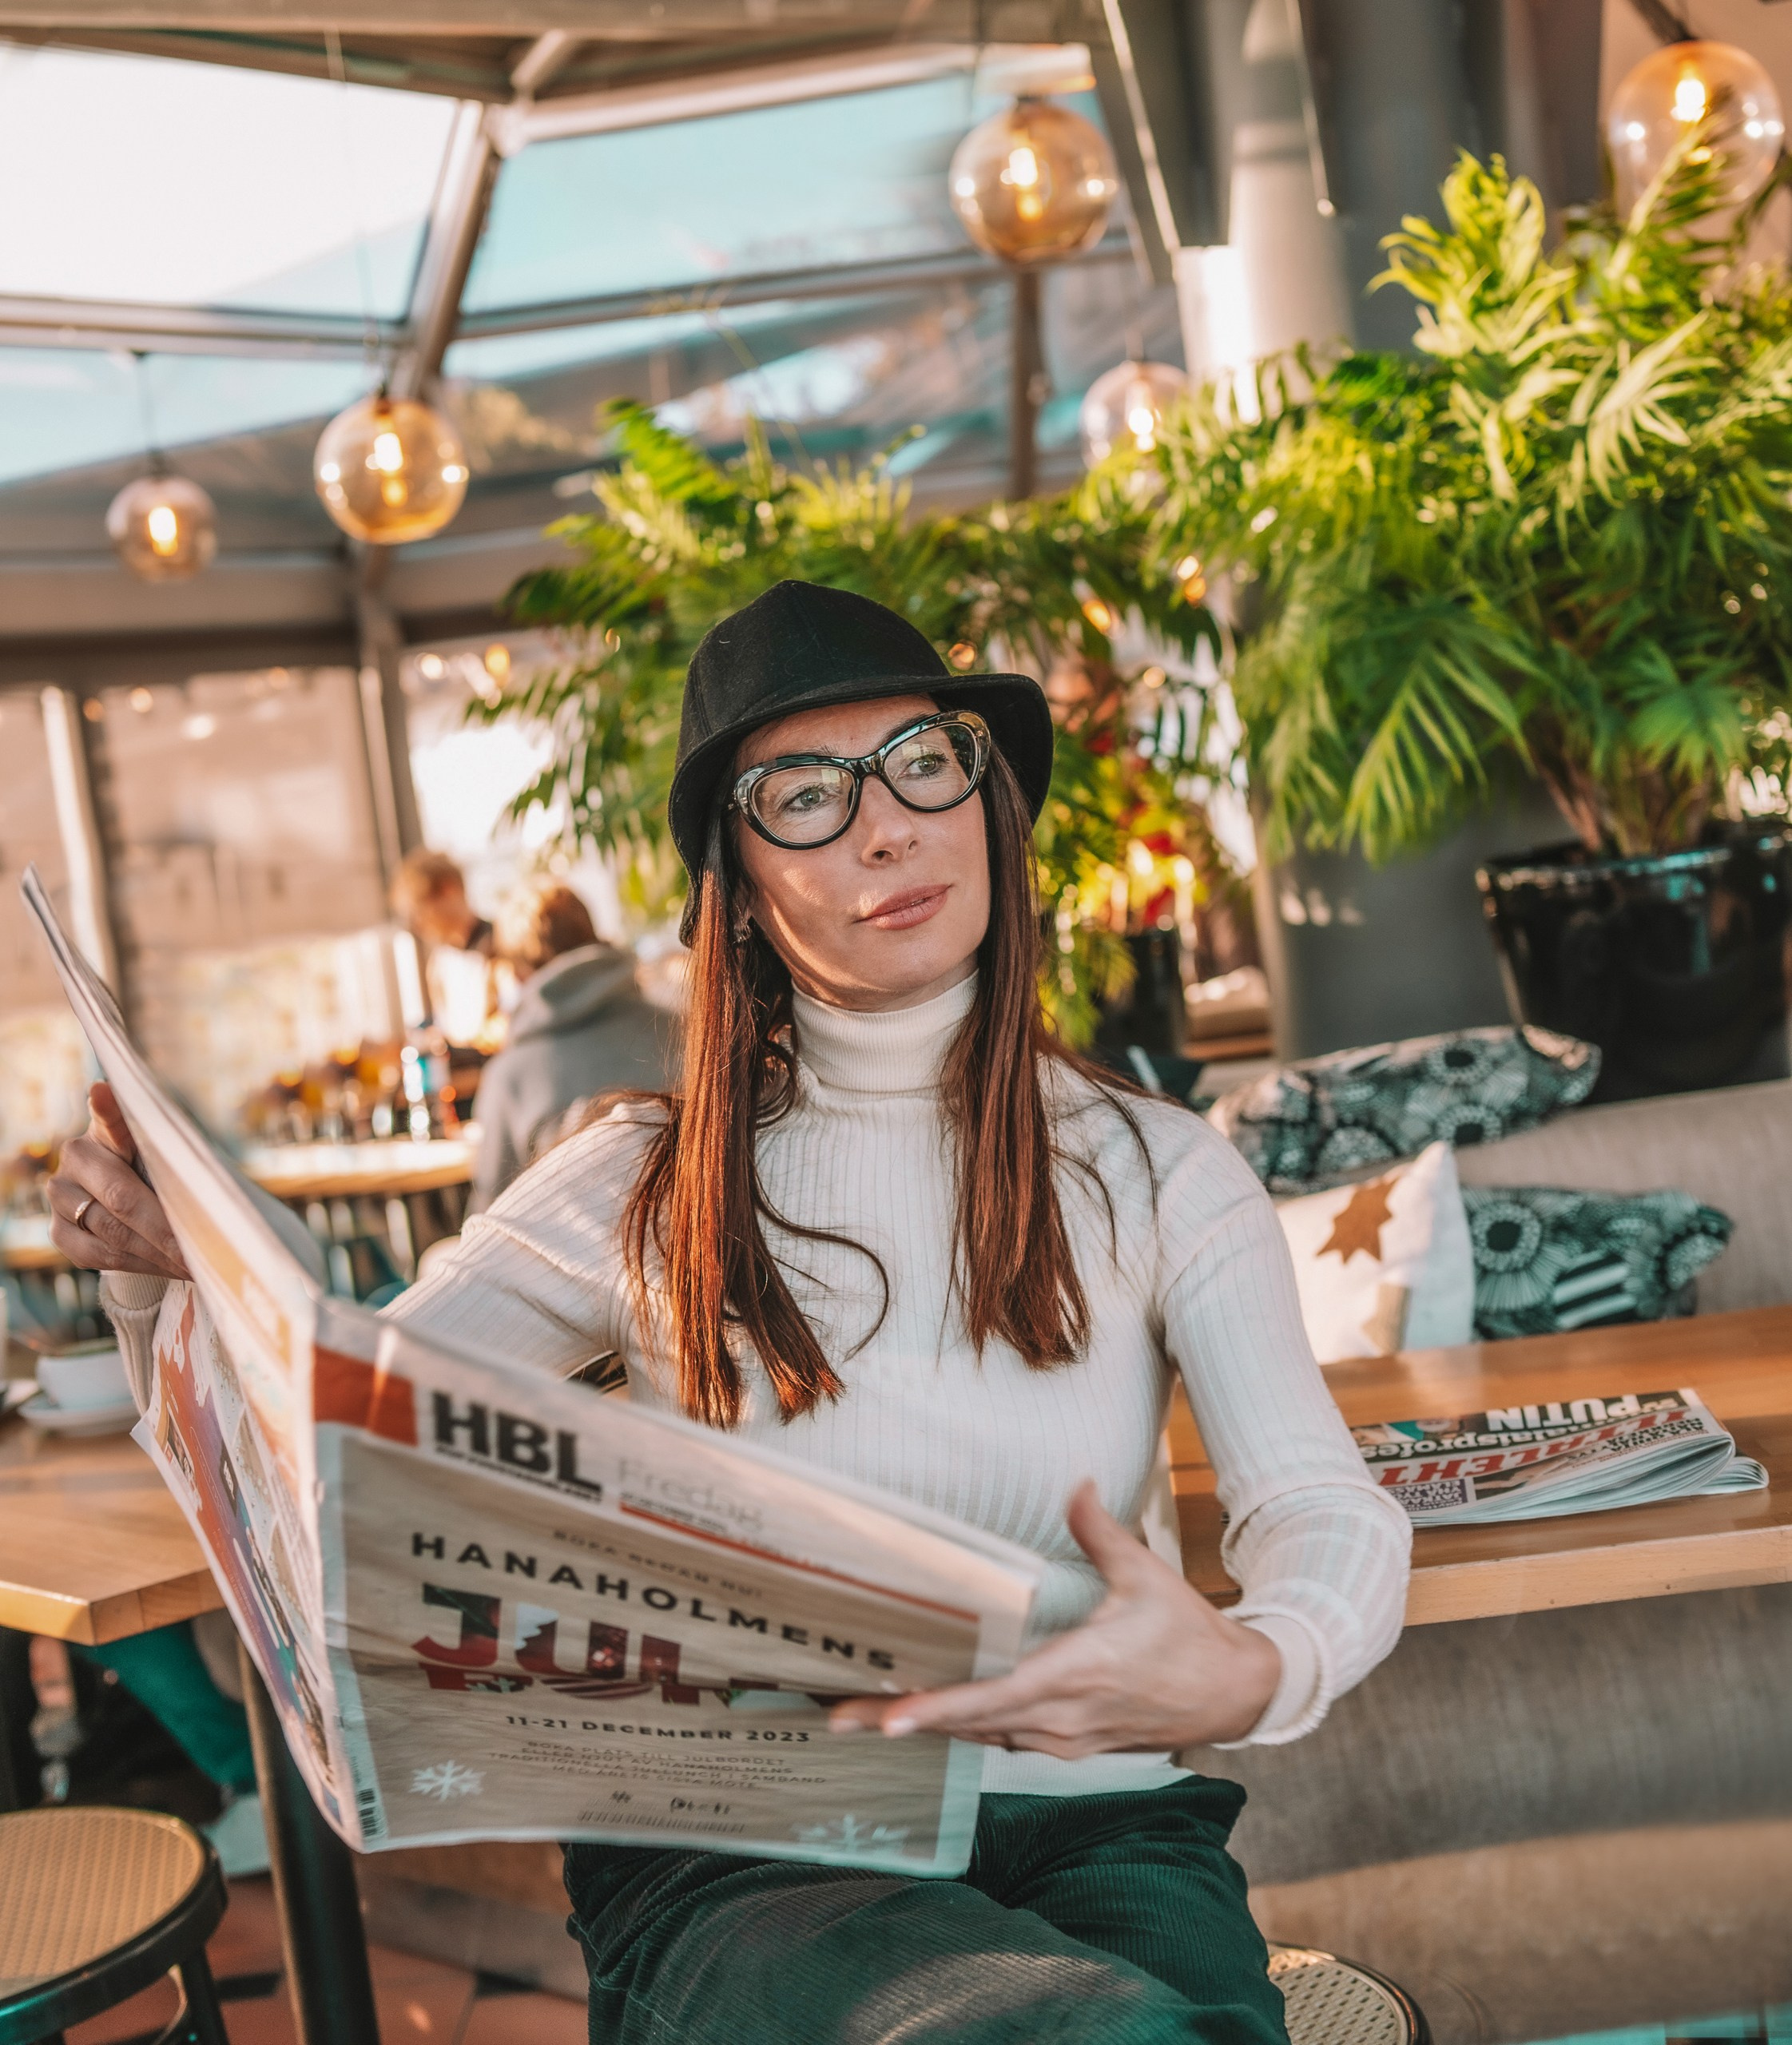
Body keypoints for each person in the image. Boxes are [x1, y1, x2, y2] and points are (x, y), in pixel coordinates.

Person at [49, 579, 1411, 2045]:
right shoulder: (637, 1180)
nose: (883, 825)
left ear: (986, 801)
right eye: (802, 797)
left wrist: (1257, 1665)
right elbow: (333, 1433)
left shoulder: (1157, 1169)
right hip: (750, 1846)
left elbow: (1319, 1503)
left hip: (1107, 1834)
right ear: (737, 885)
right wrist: (161, 1272)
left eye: (920, 764)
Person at [471, 880, 673, 1212]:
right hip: (707, 1244)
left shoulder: (510, 1077)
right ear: (593, 936)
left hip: (572, 1257)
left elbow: (489, 1213)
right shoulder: (684, 1030)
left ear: (520, 974)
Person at [389, 848, 499, 1047]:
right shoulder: (439, 965)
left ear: (449, 890)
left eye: (419, 913)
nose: (418, 926)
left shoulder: (501, 944)